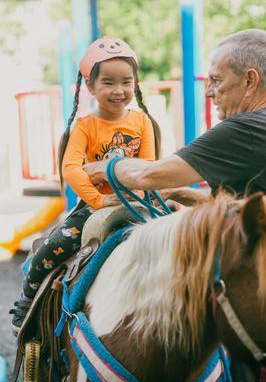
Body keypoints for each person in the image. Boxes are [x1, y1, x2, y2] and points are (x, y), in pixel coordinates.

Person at [10, 36, 161, 333]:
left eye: (126, 82)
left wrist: (139, 194)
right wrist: (99, 199)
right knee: (52, 247)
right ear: (90, 87)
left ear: (136, 84)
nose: (118, 90)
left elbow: (149, 167)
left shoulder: (142, 123)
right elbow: (71, 168)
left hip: (138, 202)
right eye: (108, 82)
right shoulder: (85, 126)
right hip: (95, 208)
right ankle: (28, 300)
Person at [83, 29, 266, 201]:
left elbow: (148, 176)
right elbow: (242, 207)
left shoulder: (245, 130)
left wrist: (106, 167)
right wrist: (178, 192)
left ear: (249, 81)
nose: (208, 93)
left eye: (216, 81)